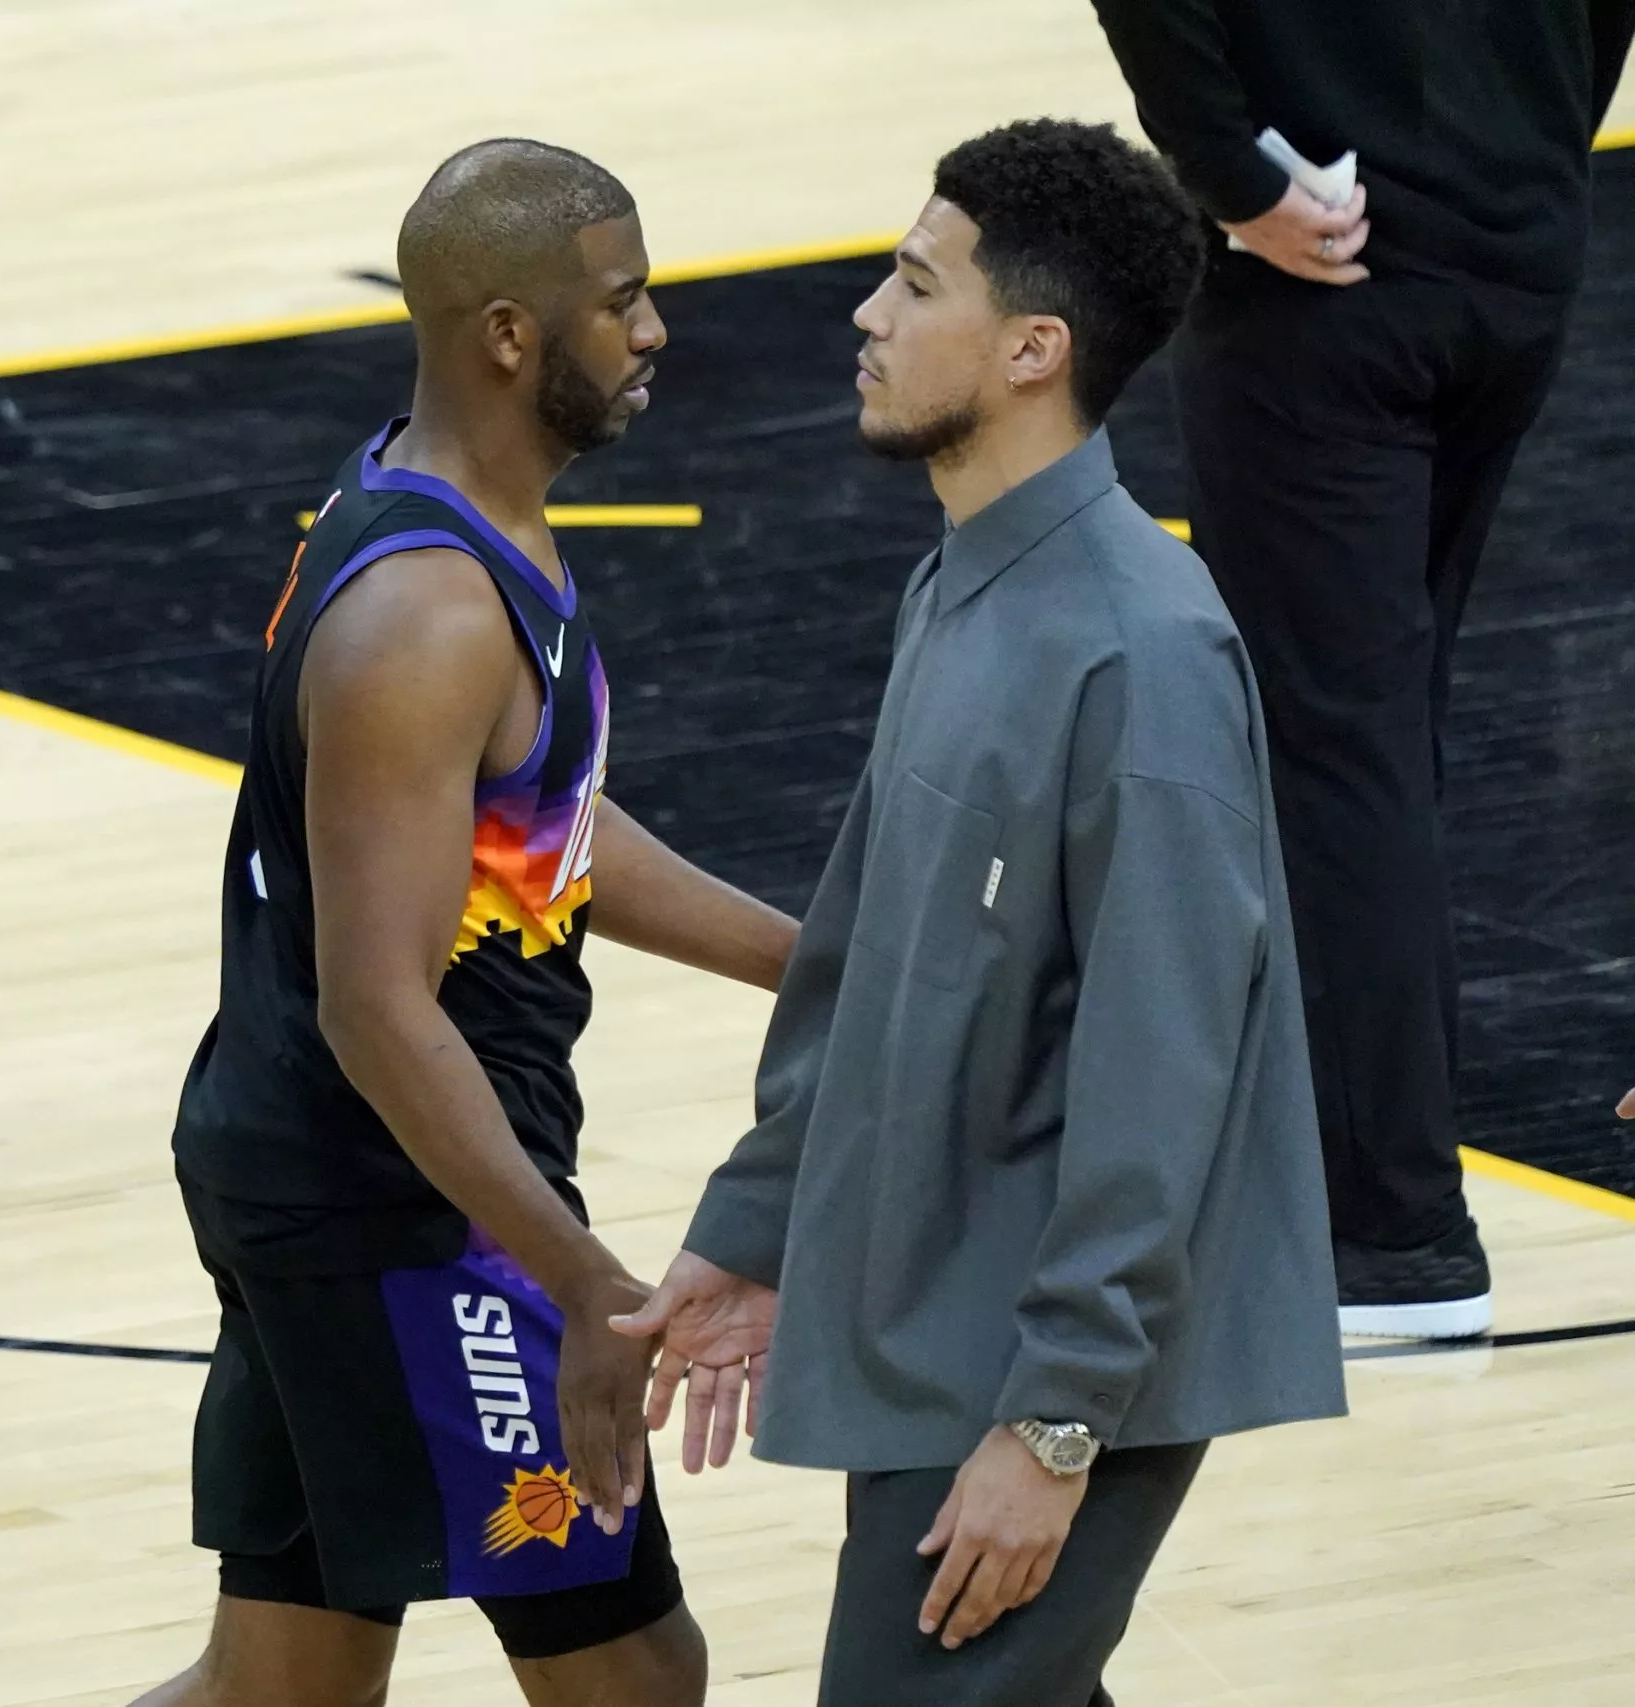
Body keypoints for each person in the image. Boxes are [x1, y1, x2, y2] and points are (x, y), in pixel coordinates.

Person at [617, 120, 1345, 1706]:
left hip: (1068, 1360)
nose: (869, 314)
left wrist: (1058, 1419)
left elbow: (1168, 1075)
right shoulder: (960, 582)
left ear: (1032, 348)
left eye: (913, 280)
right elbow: (871, 955)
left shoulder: (1145, 654)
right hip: (955, 1305)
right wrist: (756, 1225)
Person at [135, 139, 799, 1707]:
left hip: (328, 1170)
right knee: (634, 1675)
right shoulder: (425, 615)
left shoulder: (447, 505)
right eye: (620, 300)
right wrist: (577, 1281)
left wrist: (798, 956)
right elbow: (379, 1005)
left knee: (281, 1687)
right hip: (399, 1209)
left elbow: (536, 828)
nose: (652, 331)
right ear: (508, 332)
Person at [1089, 0, 1635, 1340]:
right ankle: (1329, 1182)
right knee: (1381, 726)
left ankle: (1391, 1240)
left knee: (1332, 741)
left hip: (1327, 262)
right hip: (1514, 247)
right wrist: (1527, 156)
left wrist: (1235, 177)